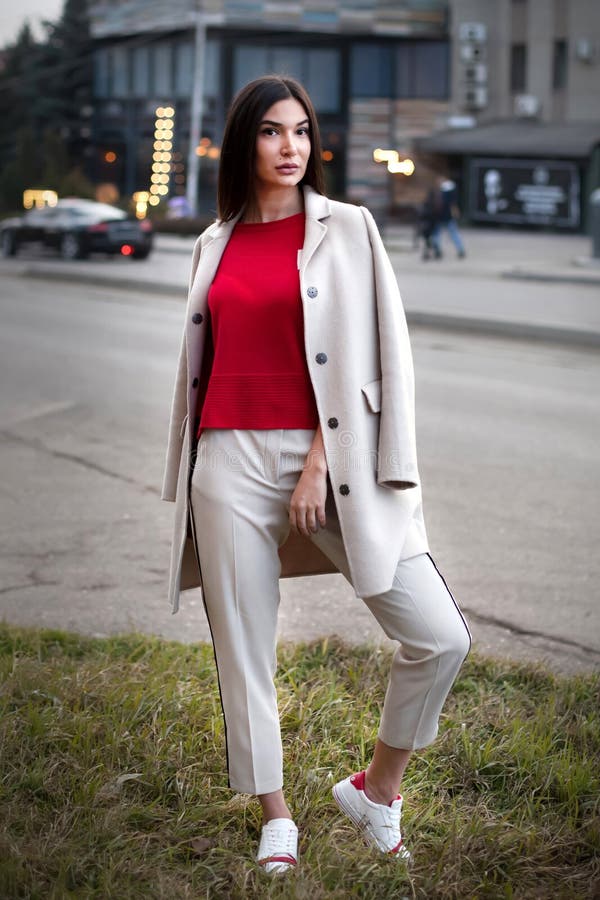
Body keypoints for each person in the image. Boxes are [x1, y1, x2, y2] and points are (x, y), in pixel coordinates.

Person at [161, 75, 471, 875]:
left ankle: (377, 790)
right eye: (272, 132)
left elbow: (377, 358)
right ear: (245, 144)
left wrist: (319, 464)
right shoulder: (214, 241)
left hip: (327, 459)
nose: (291, 147)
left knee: (438, 636)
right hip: (226, 460)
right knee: (244, 648)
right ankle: (276, 818)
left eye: (302, 131)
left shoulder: (350, 230)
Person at [431, 176, 466, 259]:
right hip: (448, 216)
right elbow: (453, 204)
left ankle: (437, 250)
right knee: (454, 233)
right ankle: (460, 249)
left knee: (436, 234)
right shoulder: (452, 191)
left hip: (438, 216)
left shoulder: (439, 191)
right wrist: (456, 214)